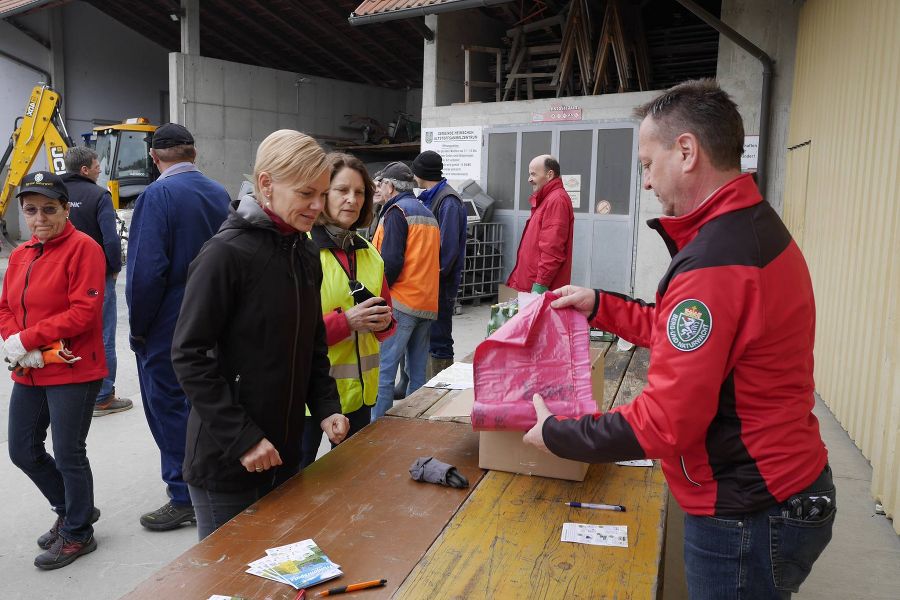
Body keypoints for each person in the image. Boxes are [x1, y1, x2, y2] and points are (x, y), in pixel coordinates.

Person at [523, 79, 834, 599]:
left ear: (686, 151)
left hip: (747, 508)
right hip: (780, 487)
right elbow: (686, 336)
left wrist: (557, 434)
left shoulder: (717, 261)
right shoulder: (748, 228)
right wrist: (600, 305)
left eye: (647, 163)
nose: (645, 182)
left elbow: (666, 423)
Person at [171, 130, 349, 540]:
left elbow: (313, 341)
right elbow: (189, 356)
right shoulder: (225, 254)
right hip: (229, 459)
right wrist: (243, 439)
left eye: (322, 194)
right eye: (307, 193)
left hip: (284, 450)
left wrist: (325, 406)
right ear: (266, 184)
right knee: (228, 578)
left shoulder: (303, 252)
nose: (318, 206)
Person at [126, 123, 230, 531]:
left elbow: (146, 273)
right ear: (194, 153)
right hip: (214, 316)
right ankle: (210, 476)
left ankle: (184, 494)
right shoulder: (218, 192)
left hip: (169, 320)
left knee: (167, 405)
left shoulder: (157, 195)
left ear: (154, 158)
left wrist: (138, 329)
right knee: (203, 401)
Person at [0, 171, 106, 569]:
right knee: (23, 450)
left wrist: (28, 340)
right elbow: (6, 306)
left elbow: (83, 311)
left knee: (68, 453)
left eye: (49, 209)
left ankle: (79, 531)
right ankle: (72, 508)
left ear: (65, 209)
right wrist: (16, 340)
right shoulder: (23, 253)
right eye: (31, 211)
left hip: (73, 369)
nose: (40, 218)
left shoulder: (84, 249)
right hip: (30, 368)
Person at [300, 153, 396, 467]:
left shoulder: (369, 253)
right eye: (343, 190)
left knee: (351, 484)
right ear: (322, 193)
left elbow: (388, 323)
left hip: (358, 397)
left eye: (360, 192)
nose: (352, 200)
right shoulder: (301, 249)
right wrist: (347, 323)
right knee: (291, 488)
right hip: (308, 399)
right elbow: (289, 334)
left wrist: (383, 322)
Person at [61, 147, 133, 417]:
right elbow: (111, 238)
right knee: (102, 336)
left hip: (60, 276)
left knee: (66, 332)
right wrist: (114, 268)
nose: (99, 169)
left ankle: (68, 392)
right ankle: (102, 397)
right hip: (94, 277)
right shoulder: (98, 195)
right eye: (95, 166)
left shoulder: (55, 193)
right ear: (84, 170)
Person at [370, 161, 440, 420]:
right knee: (417, 374)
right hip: (426, 303)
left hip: (401, 303)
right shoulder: (427, 213)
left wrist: (378, 296)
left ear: (389, 186)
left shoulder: (396, 212)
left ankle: (376, 432)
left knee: (384, 372)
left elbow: (392, 261)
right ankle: (413, 427)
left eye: (381, 184)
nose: (379, 189)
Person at [412, 150, 467, 377]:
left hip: (440, 283)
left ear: (420, 173)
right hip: (430, 281)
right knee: (430, 335)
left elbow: (447, 249)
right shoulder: (430, 197)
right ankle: (427, 383)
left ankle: (439, 387)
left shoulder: (448, 201)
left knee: (440, 338)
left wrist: (433, 276)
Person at [506, 154, 574, 293]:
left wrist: (540, 285)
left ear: (549, 174)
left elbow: (552, 249)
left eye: (533, 174)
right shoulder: (548, 198)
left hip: (539, 288)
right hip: (530, 284)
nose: (529, 179)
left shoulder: (556, 200)